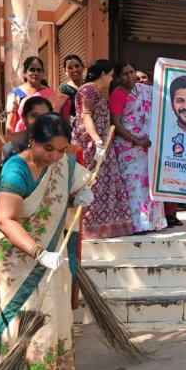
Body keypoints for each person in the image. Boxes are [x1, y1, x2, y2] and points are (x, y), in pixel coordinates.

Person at [0, 113, 93, 370]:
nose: (55, 157)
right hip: (15, 261)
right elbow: (4, 219)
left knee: (51, 324)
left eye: (61, 150)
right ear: (32, 140)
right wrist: (38, 252)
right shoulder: (15, 170)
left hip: (50, 258)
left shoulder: (62, 165)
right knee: (17, 329)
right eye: (48, 149)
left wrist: (78, 195)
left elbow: (73, 190)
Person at [73, 59, 133, 239]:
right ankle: (91, 226)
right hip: (91, 145)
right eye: (111, 75)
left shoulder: (96, 91)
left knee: (105, 182)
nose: (112, 78)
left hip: (101, 144)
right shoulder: (88, 90)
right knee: (94, 182)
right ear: (103, 74)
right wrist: (97, 141)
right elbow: (86, 116)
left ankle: (104, 226)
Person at [109, 60, 166, 234]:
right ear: (118, 77)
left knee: (149, 184)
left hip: (147, 147)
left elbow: (164, 96)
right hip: (128, 148)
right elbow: (116, 123)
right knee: (134, 186)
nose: (130, 77)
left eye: (132, 72)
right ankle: (138, 224)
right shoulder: (117, 95)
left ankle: (155, 221)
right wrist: (136, 140)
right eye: (125, 74)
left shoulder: (144, 90)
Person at [0, 95, 54, 191]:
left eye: (45, 117)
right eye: (34, 116)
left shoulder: (57, 145)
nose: (39, 121)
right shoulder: (7, 142)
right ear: (24, 118)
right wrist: (2, 164)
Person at [5, 55, 45, 133]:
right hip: (22, 139)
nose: (36, 73)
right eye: (32, 70)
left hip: (45, 139)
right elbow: (10, 125)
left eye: (39, 70)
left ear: (43, 72)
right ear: (25, 73)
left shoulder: (50, 93)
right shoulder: (17, 93)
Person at [58, 54, 85, 122]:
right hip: (72, 129)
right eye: (70, 68)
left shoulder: (90, 85)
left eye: (77, 66)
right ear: (65, 71)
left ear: (83, 67)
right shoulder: (63, 89)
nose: (74, 70)